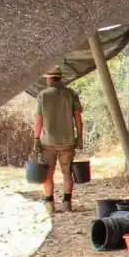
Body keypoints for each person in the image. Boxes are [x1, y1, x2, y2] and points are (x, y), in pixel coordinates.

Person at [32, 70, 83, 214]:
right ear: (61, 78)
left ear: (48, 79)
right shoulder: (71, 94)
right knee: (67, 173)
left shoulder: (43, 95)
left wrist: (36, 138)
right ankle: (67, 203)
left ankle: (49, 204)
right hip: (67, 142)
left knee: (48, 174)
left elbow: (39, 120)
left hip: (48, 143)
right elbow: (77, 117)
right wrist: (79, 136)